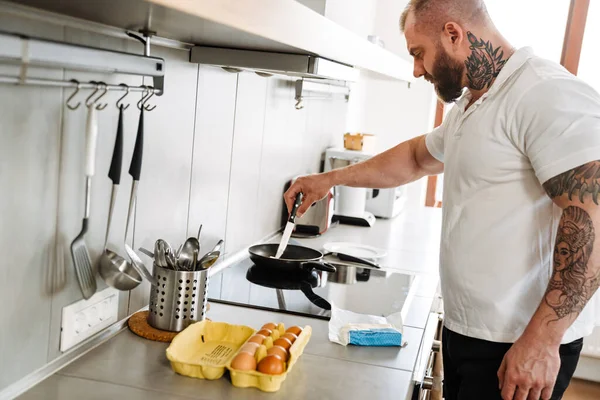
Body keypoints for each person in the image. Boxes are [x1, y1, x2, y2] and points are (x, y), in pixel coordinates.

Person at [283, 0, 600, 399]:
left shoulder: (545, 93)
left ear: (453, 34)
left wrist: (543, 341)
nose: (417, 69)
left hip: (517, 342)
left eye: (419, 53)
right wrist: (328, 179)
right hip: (469, 331)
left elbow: (592, 215)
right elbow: (416, 158)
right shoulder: (473, 102)